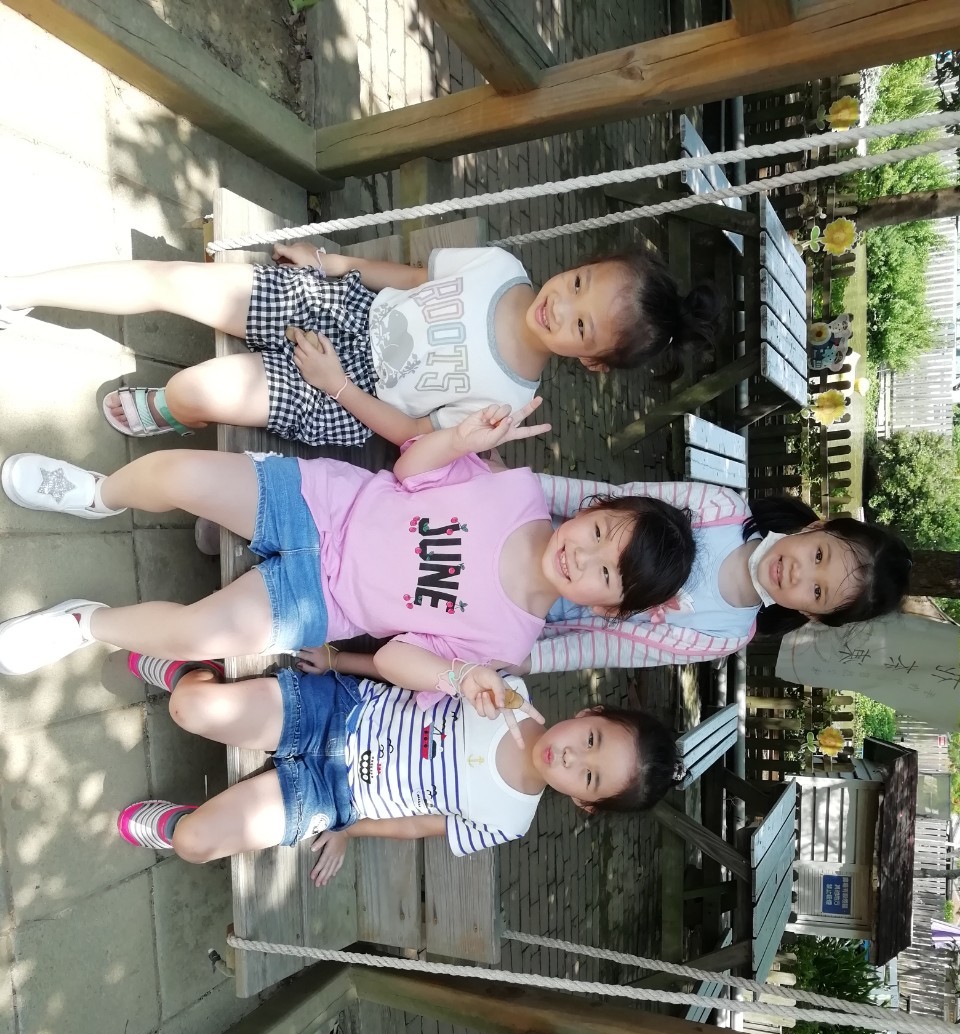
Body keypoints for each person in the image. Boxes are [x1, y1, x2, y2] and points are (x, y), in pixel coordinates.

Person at [0, 402, 696, 724]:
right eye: (600, 531)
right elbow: (411, 470)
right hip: (321, 502)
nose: (584, 554)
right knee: (175, 473)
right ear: (593, 507)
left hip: (321, 601)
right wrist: (458, 440)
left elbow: (391, 657)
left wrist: (458, 678)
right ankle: (99, 495)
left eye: (607, 574)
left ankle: (84, 624)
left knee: (192, 636)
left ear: (606, 607)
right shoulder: (515, 490)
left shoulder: (508, 645)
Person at [0, 242, 721, 447]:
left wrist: (336, 384)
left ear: (589, 361)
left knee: (194, 390)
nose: (560, 305)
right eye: (579, 282)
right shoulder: (500, 267)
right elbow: (413, 277)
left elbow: (412, 434)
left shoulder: (507, 401)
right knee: (176, 281)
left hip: (348, 395)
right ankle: (19, 284)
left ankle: (171, 409)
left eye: (581, 326)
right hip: (342, 306)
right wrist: (333, 263)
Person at [115, 654, 681, 884]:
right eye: (591, 740)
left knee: (192, 843)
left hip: (331, 797)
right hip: (337, 711)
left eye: (589, 777)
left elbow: (416, 825)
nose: (573, 757)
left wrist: (347, 829)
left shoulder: (510, 821)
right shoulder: (508, 690)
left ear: (584, 802)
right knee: (188, 708)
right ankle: (195, 672)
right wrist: (339, 660)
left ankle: (184, 821)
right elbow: (413, 671)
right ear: (590, 713)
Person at [516, 475, 912, 674]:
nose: (798, 573)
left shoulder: (728, 635)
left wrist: (529, 661)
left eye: (818, 591)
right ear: (816, 526)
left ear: (813, 615)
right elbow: (611, 499)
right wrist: (521, 485)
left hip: (534, 616)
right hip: (536, 535)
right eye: (819, 555)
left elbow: (614, 649)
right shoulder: (719, 507)